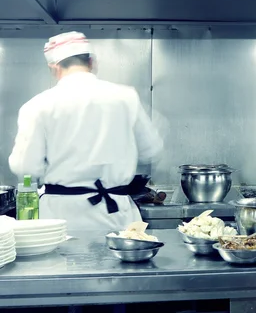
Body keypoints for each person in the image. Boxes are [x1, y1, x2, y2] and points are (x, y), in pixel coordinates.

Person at [8, 31, 164, 231]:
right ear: (91, 62)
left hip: (61, 218)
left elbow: (25, 167)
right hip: (116, 215)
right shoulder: (126, 97)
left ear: (54, 68)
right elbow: (152, 149)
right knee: (118, 261)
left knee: (58, 263)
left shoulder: (37, 106)